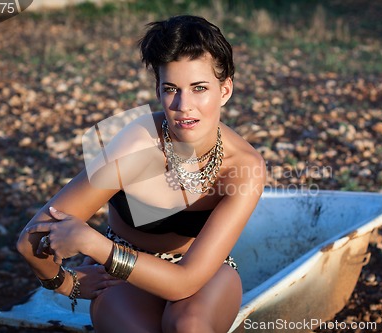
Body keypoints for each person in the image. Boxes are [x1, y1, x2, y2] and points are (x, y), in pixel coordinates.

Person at [17, 15, 266, 333]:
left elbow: (184, 282)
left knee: (190, 327)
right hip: (119, 275)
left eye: (199, 88)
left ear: (225, 90)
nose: (183, 105)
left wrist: (93, 244)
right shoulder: (139, 147)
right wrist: (64, 283)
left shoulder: (241, 167)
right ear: (158, 90)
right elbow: (31, 239)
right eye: (171, 89)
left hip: (201, 276)